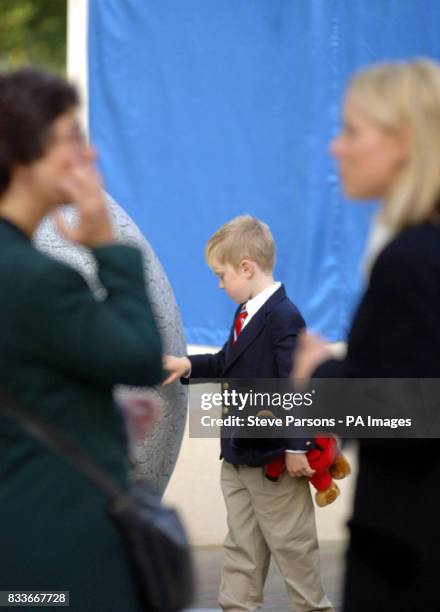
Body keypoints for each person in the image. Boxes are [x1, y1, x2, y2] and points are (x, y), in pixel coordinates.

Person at [0, 68, 163, 611]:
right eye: (72, 141)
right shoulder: (36, 278)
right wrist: (108, 247)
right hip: (59, 554)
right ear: (23, 159)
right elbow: (142, 356)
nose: (88, 159)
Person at [293, 58, 440, 611]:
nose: (337, 147)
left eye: (352, 131)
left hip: (410, 565)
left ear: (402, 142)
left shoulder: (410, 261)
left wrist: (319, 376)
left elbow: (413, 415)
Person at [164, 215, 332, 612]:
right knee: (241, 546)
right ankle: (237, 605)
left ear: (246, 267)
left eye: (221, 275)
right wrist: (188, 365)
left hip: (274, 459)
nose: (219, 284)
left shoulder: (284, 317)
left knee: (293, 546)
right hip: (239, 455)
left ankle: (313, 607)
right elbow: (228, 361)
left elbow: (295, 384)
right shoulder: (246, 314)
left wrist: (296, 447)